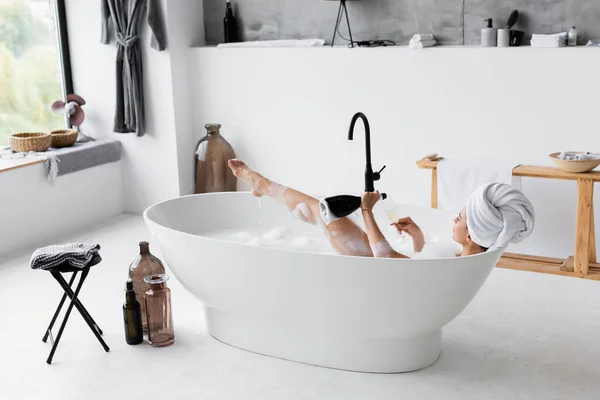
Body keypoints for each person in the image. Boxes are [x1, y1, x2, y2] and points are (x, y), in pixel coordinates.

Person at [228, 159, 535, 258]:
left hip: (370, 263)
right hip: (377, 263)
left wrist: (366, 211)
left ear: (470, 236)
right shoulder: (458, 256)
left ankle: (263, 184)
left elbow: (387, 259)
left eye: (461, 217)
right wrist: (416, 235)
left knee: (321, 210)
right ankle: (263, 185)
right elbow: (415, 259)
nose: (455, 215)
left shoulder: (453, 262)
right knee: (318, 209)